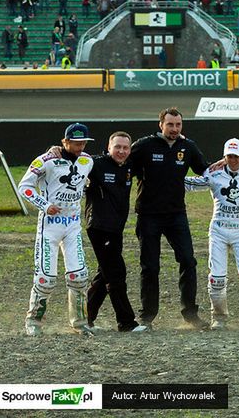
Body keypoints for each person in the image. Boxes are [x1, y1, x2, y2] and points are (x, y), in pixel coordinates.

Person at [129, 107, 209, 330]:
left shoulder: (188, 147)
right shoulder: (144, 146)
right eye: (170, 124)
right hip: (148, 216)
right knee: (150, 267)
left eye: (178, 125)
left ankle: (190, 314)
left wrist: (233, 167)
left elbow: (206, 170)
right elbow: (122, 166)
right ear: (161, 125)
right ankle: (147, 316)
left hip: (176, 215)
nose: (174, 129)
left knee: (188, 261)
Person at [185, 138, 239, 331]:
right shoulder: (213, 172)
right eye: (229, 156)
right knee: (216, 278)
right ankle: (219, 318)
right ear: (224, 156)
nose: (232, 160)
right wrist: (167, 176)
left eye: (236, 156)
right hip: (218, 231)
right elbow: (193, 184)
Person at [18, 123, 95, 336]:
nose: (80, 147)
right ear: (65, 141)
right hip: (49, 226)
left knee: (79, 276)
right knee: (45, 278)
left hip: (72, 225)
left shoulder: (87, 161)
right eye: (76, 143)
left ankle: (79, 323)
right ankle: (33, 321)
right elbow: (23, 186)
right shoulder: (46, 160)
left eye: (83, 143)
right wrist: (44, 205)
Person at [85, 132, 147, 333]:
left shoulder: (130, 166)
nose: (121, 151)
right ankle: (126, 322)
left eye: (125, 148)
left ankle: (85, 317)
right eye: (117, 147)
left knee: (104, 274)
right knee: (116, 273)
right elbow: (70, 157)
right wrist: (56, 150)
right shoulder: (95, 163)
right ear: (108, 148)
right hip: (99, 227)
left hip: (116, 230)